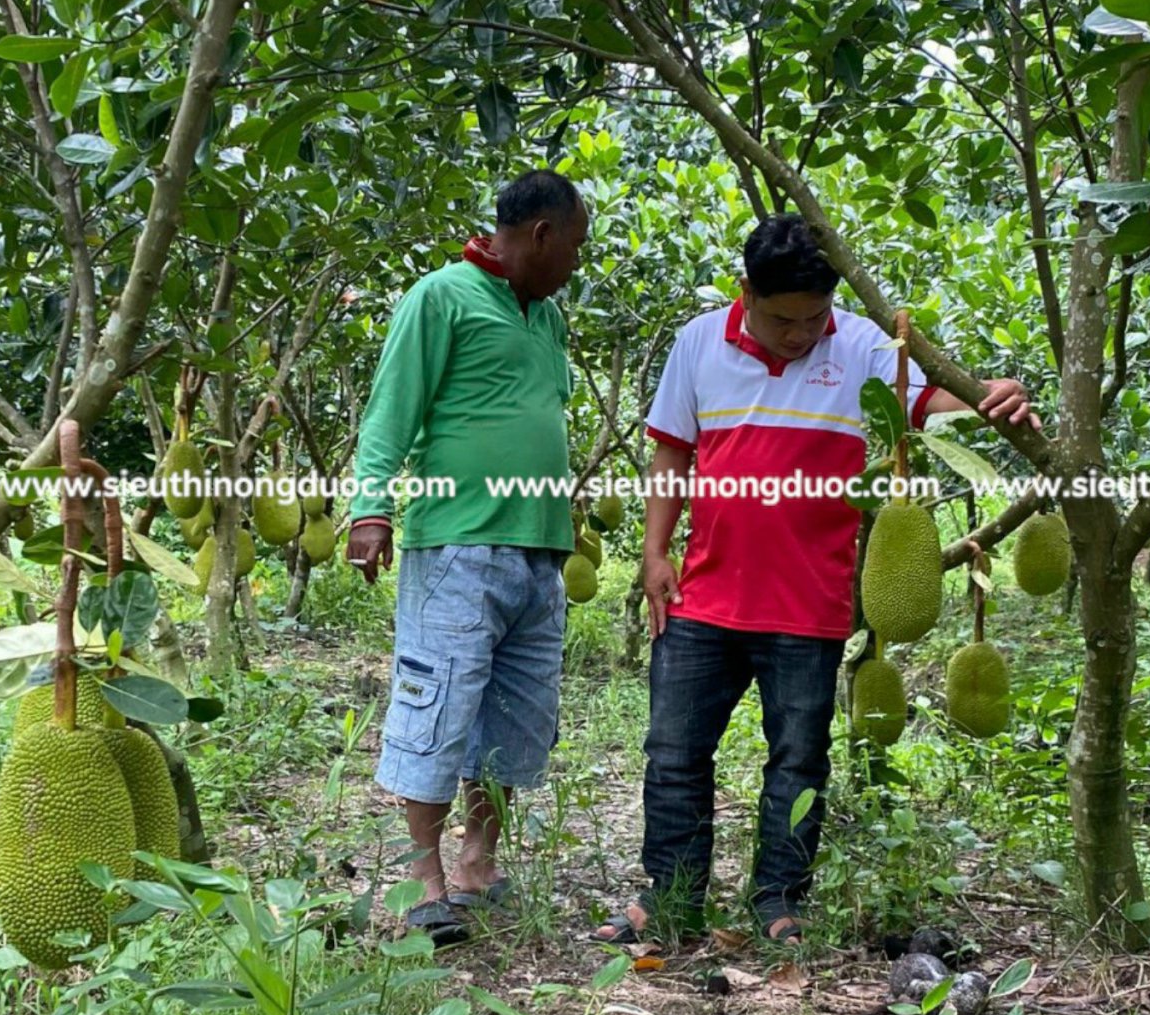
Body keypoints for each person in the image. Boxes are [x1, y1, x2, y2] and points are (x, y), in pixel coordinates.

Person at [595, 213, 1040, 952]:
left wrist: (994, 394)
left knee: (797, 762)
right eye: (782, 320)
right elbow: (671, 454)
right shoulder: (698, 343)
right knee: (673, 754)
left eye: (813, 318)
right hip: (704, 594)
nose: (801, 335)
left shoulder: (865, 346)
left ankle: (779, 900)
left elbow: (936, 402)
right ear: (746, 294)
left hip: (811, 605)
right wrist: (653, 553)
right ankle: (669, 898)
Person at [347, 171, 589, 946]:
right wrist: (370, 507)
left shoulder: (546, 316)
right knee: (438, 705)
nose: (577, 264)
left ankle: (479, 863)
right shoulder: (441, 297)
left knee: (513, 716)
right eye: (575, 247)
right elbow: (393, 407)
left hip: (540, 553)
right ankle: (421, 879)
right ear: (542, 235)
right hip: (458, 542)